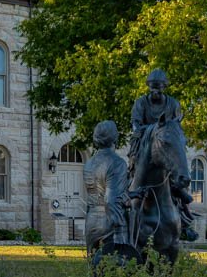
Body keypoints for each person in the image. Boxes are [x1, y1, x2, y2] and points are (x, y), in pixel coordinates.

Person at [129, 69, 198, 241]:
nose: (155, 91)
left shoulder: (173, 104)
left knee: (176, 166)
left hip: (166, 145)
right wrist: (153, 131)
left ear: (164, 87)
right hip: (145, 144)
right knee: (133, 171)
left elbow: (175, 126)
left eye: (158, 88)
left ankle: (183, 217)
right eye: (152, 88)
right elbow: (136, 126)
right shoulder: (141, 103)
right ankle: (126, 202)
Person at [83, 120, 130, 256]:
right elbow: (110, 199)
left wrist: (131, 195)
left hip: (91, 222)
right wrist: (119, 228)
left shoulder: (89, 163)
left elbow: (97, 191)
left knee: (95, 271)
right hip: (110, 223)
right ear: (115, 138)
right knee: (117, 270)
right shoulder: (117, 163)